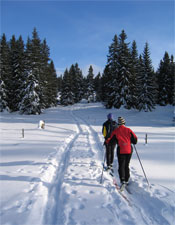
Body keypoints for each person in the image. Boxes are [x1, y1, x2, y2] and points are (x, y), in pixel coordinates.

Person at [106, 116, 137, 185]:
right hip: (129, 149)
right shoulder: (129, 130)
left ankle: (122, 179)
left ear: (118, 124)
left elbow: (111, 142)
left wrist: (107, 141)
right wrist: (130, 140)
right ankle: (127, 179)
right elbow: (135, 140)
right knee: (126, 165)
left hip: (121, 149)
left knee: (121, 165)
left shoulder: (116, 131)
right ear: (124, 123)